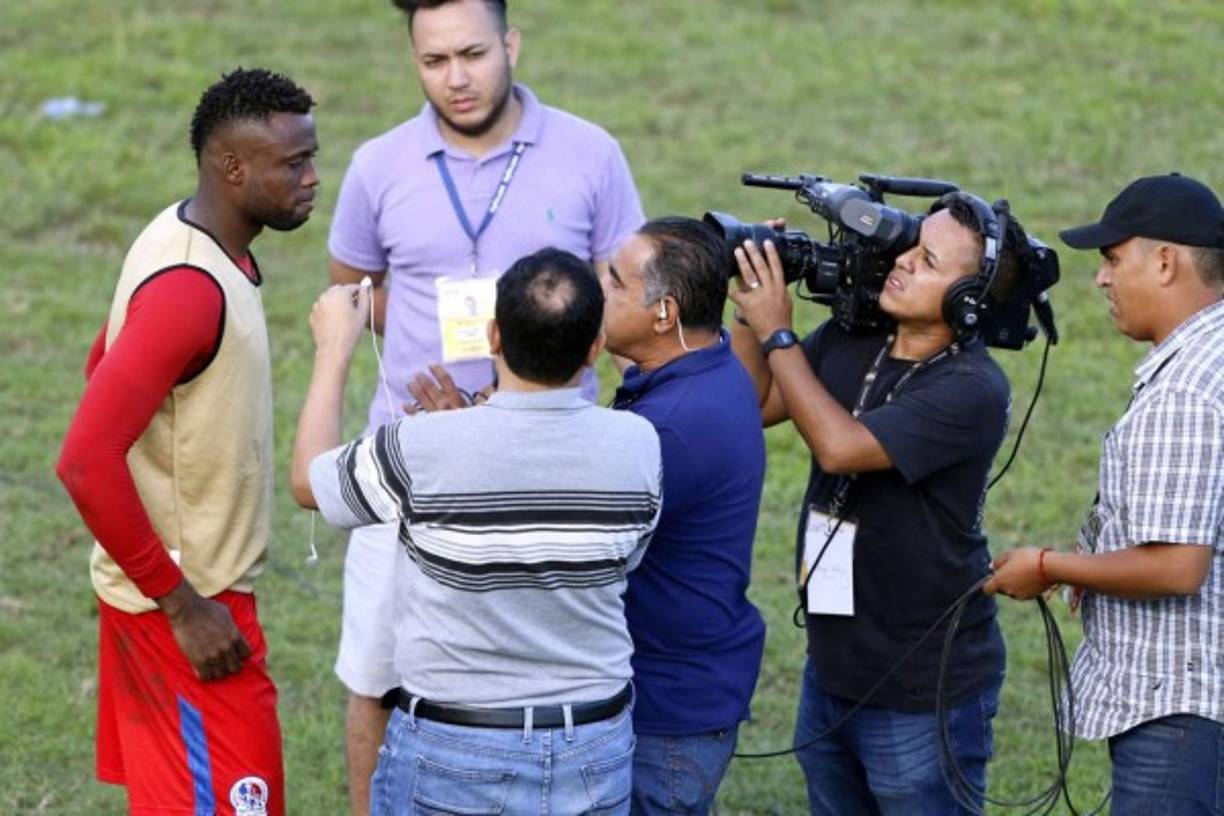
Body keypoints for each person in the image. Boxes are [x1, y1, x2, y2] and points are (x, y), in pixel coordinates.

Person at [325, 1, 644, 807]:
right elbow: (353, 290)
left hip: (553, 463)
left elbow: (624, 293)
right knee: (374, 672)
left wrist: (507, 394)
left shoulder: (589, 154)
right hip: (411, 462)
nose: (456, 78)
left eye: (472, 53)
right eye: (433, 61)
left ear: (511, 43)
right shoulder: (379, 164)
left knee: (532, 675)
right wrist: (428, 360)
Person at [290, 248, 662, 816]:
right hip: (592, 743)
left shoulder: (421, 445)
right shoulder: (639, 444)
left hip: (452, 744)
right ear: (594, 348)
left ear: (492, 335)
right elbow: (625, 557)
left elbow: (308, 483)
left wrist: (335, 350)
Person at [55, 68, 319, 816]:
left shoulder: (186, 237)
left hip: (173, 597)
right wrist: (181, 606)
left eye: (311, 157)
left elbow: (102, 364)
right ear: (232, 169)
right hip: (190, 610)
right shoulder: (188, 288)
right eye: (292, 164)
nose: (312, 178)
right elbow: (82, 459)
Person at [729, 197, 1031, 814]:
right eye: (910, 248)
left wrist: (778, 332)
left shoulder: (971, 388)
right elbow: (752, 406)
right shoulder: (853, 335)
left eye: (927, 261)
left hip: (921, 685)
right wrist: (748, 309)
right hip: (835, 668)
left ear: (967, 299)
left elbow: (841, 448)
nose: (901, 262)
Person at [985, 173, 1224, 815]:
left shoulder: (1184, 394)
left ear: (1167, 261)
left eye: (1114, 258)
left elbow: (1178, 567)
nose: (1102, 278)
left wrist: (1048, 566)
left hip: (1180, 708)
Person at [597, 217, 766, 814]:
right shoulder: (712, 364)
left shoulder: (672, 427)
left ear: (664, 313)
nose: (599, 287)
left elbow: (576, 538)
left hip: (663, 716)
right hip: (687, 689)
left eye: (615, 281)